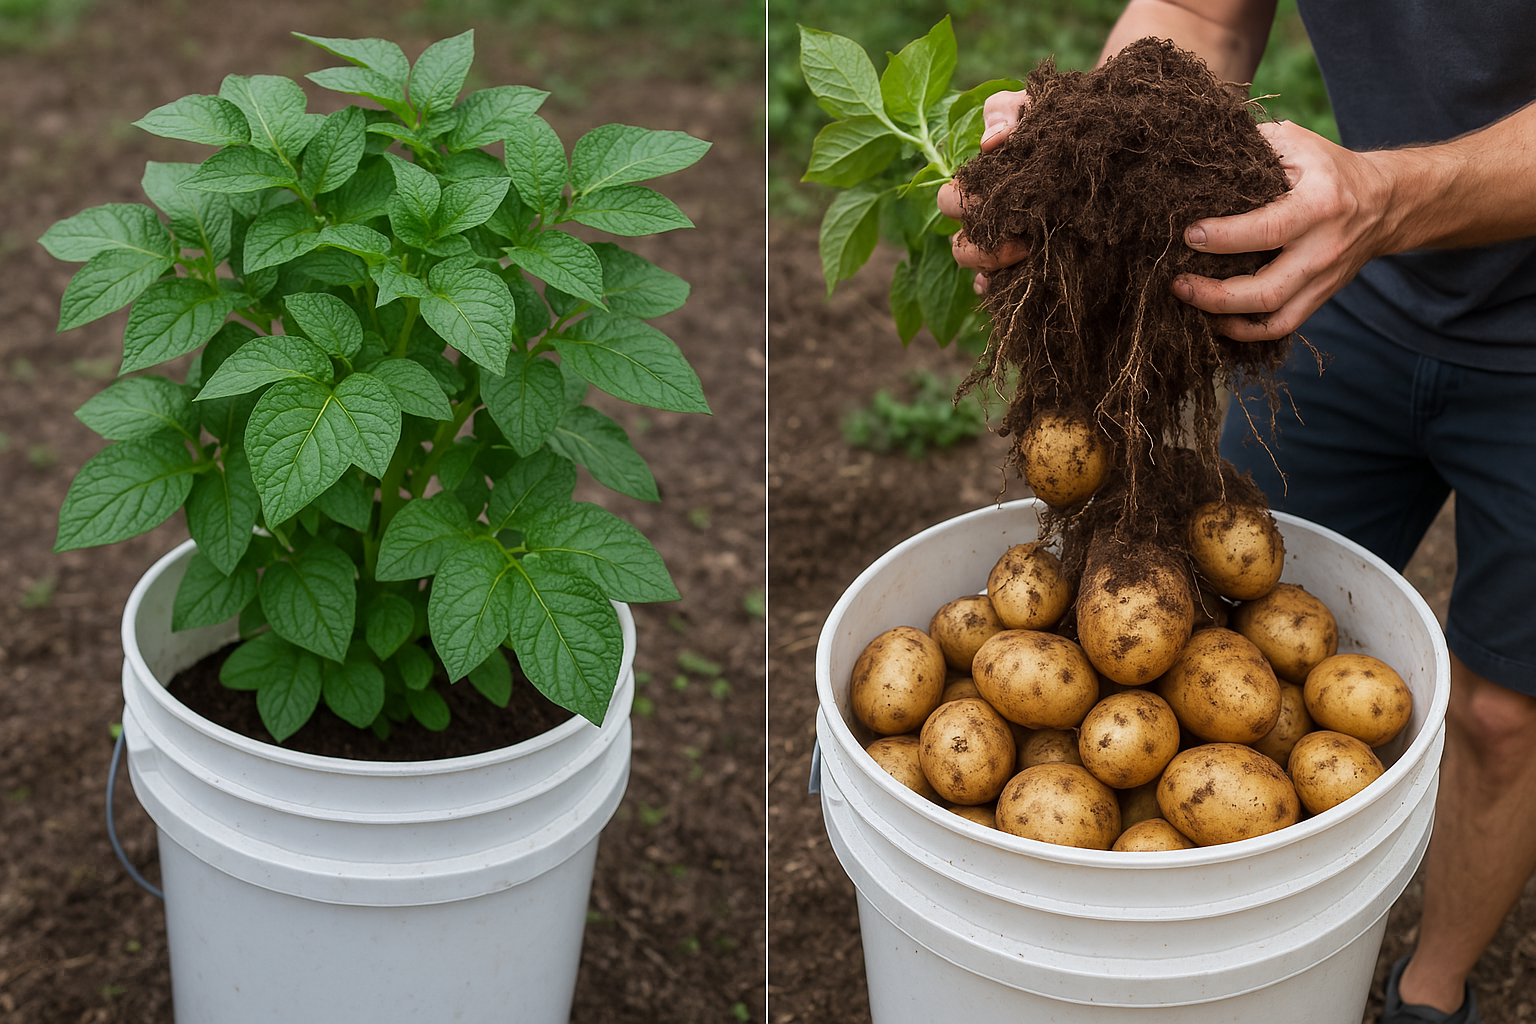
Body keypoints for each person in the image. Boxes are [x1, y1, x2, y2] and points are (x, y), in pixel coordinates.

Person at [938, 3, 1536, 1023]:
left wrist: (1388, 194)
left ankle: (1432, 993)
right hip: (1347, 290)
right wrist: (1102, 149)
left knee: (1500, 712)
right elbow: (1198, 12)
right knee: (1209, 598)